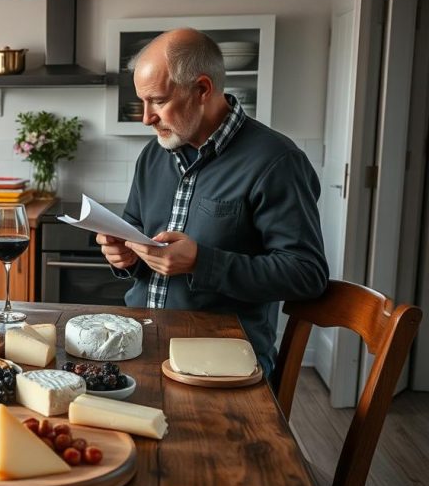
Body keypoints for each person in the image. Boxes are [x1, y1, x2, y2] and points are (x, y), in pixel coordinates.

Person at [96, 28, 328, 374]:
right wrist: (125, 257)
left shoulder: (277, 161)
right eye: (142, 102)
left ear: (202, 89)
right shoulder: (153, 155)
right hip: (141, 344)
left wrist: (201, 262)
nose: (146, 118)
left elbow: (307, 275)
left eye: (157, 101)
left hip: (222, 361)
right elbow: (136, 233)